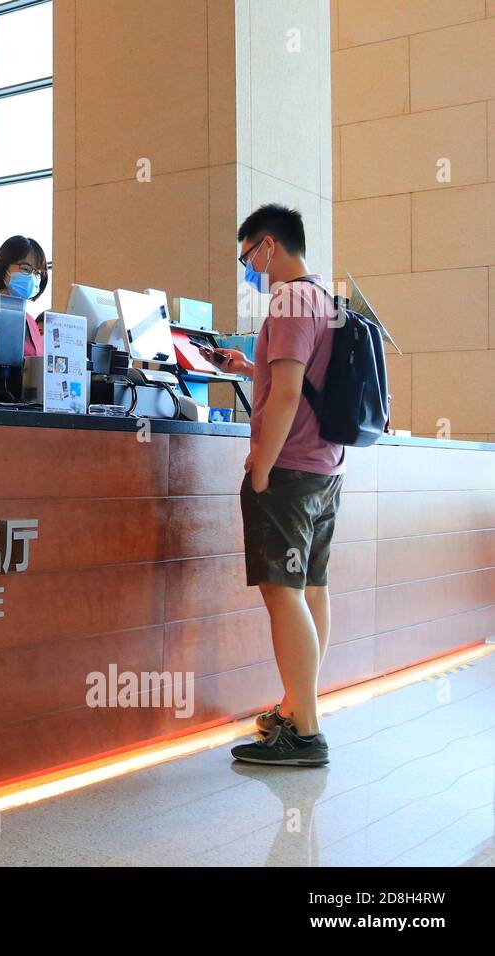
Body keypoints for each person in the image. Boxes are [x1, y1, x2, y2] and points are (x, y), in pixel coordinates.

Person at [216, 205, 342, 768]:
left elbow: (288, 396)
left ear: (268, 246)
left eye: (248, 257)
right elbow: (299, 379)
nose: (250, 269)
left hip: (288, 469)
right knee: (310, 586)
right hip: (323, 468)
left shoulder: (288, 299)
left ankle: (305, 732)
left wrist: (261, 466)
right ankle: (298, 705)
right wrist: (251, 368)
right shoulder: (323, 297)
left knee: (282, 592)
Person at [0, 235, 48, 358]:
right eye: (26, 268)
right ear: (4, 267)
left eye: (37, 273)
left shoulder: (30, 321)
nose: (32, 277)